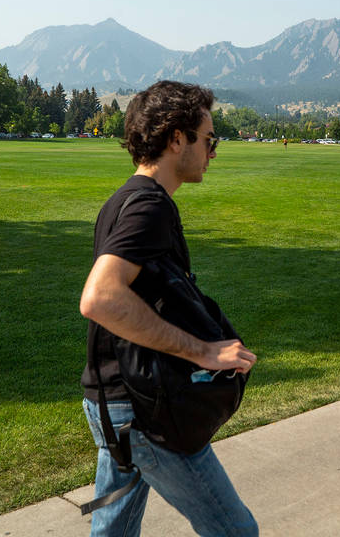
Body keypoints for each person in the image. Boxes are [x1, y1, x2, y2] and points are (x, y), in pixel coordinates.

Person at [79, 80, 258, 536]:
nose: (213, 151)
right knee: (235, 530)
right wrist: (202, 352)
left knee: (112, 529)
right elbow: (100, 297)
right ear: (177, 137)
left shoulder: (122, 200)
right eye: (208, 139)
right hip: (143, 412)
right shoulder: (148, 207)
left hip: (116, 401)